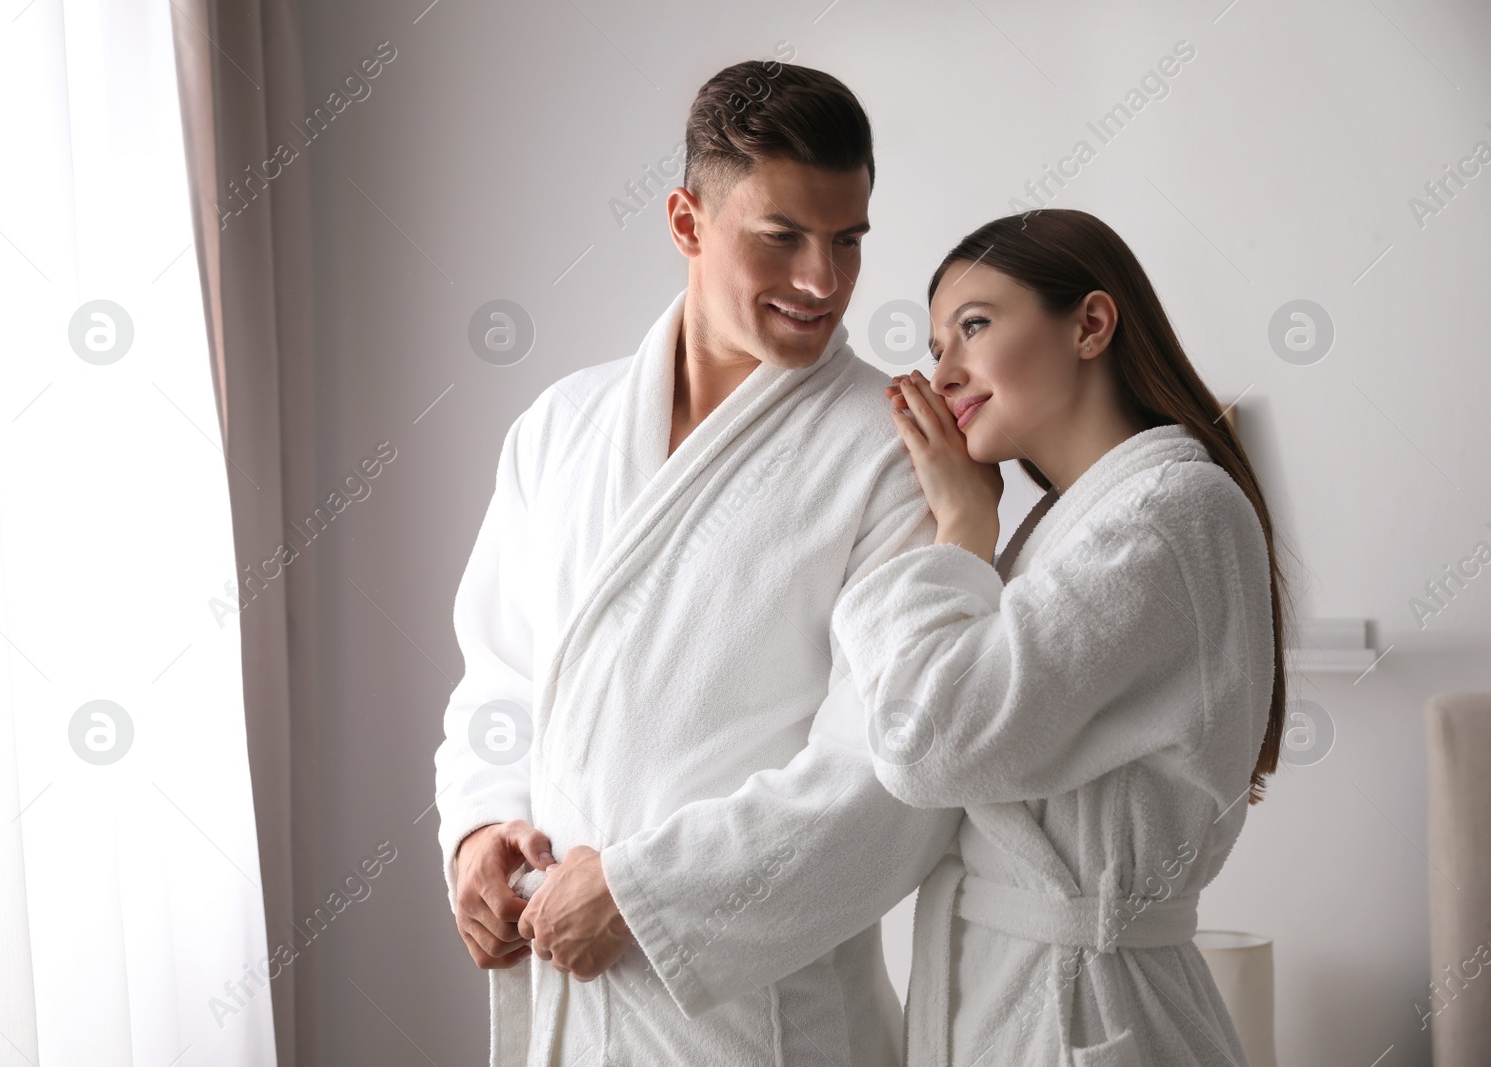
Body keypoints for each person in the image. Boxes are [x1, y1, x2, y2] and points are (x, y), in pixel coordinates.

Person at [434, 60, 960, 1066]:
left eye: (847, 240)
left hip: (758, 1017)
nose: (824, 280)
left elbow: (893, 771)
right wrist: (479, 827)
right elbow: (498, 678)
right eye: (782, 237)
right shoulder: (561, 428)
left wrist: (642, 892)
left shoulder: (893, 451)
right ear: (685, 220)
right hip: (568, 997)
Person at [831, 208, 1291, 1066]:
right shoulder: (1072, 523)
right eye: (937, 346)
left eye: (974, 326)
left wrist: (964, 523)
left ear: (1089, 324)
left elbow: (925, 740)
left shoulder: (1170, 513)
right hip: (1025, 995)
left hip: (1086, 1011)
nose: (946, 372)